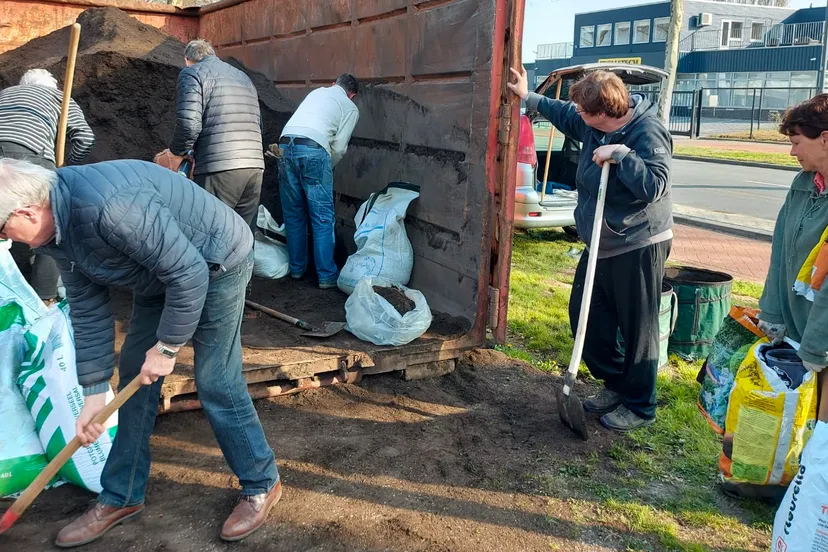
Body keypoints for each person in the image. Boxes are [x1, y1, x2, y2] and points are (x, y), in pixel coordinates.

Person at [0, 159, 281, 546]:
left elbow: (189, 273)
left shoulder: (109, 207)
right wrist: (93, 395)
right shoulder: (57, 233)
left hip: (215, 261)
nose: (8, 240)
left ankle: (261, 482)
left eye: (3, 230)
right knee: (135, 371)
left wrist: (167, 347)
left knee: (216, 378)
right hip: (157, 272)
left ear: (27, 212)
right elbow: (88, 310)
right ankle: (122, 495)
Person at [508, 66, 673, 431]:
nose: (578, 115)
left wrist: (623, 156)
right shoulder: (589, 123)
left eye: (585, 111)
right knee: (588, 316)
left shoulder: (647, 131)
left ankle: (640, 405)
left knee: (638, 328)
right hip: (599, 239)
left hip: (637, 241)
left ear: (605, 112)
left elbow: (655, 186)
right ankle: (615, 382)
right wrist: (528, 96)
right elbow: (563, 112)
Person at [0, 68, 95, 304]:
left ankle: (10, 286)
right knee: (51, 222)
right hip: (29, 154)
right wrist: (67, 167)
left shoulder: (5, 93)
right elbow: (85, 137)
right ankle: (43, 296)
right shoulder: (58, 97)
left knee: (6, 219)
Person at [758, 94, 828, 383]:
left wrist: (816, 344)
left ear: (825, 139)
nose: (791, 152)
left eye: (796, 142)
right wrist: (772, 311)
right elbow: (781, 249)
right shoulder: (803, 182)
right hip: (798, 333)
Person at [166, 39, 264, 228]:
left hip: (219, 168)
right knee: (243, 235)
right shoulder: (242, 76)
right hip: (254, 166)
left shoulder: (192, 73)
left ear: (187, 60)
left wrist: (176, 153)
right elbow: (259, 123)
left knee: (210, 231)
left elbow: (189, 125)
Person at [278, 73, 360, 289]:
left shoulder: (317, 92)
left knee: (293, 213)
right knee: (322, 217)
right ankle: (326, 275)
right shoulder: (350, 107)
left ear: (333, 84)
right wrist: (326, 167)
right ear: (352, 95)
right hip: (314, 148)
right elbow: (339, 148)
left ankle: (297, 269)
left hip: (284, 145)